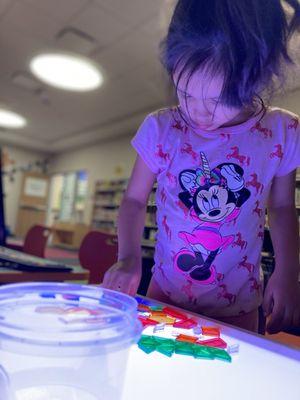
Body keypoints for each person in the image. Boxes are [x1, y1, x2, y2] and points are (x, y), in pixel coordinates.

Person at [102, 0, 300, 333]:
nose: (198, 113)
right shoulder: (162, 131)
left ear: (258, 76)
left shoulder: (281, 133)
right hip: (164, 294)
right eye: (185, 93)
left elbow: (281, 208)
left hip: (239, 305)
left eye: (219, 100)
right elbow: (134, 200)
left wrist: (288, 272)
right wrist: (129, 256)